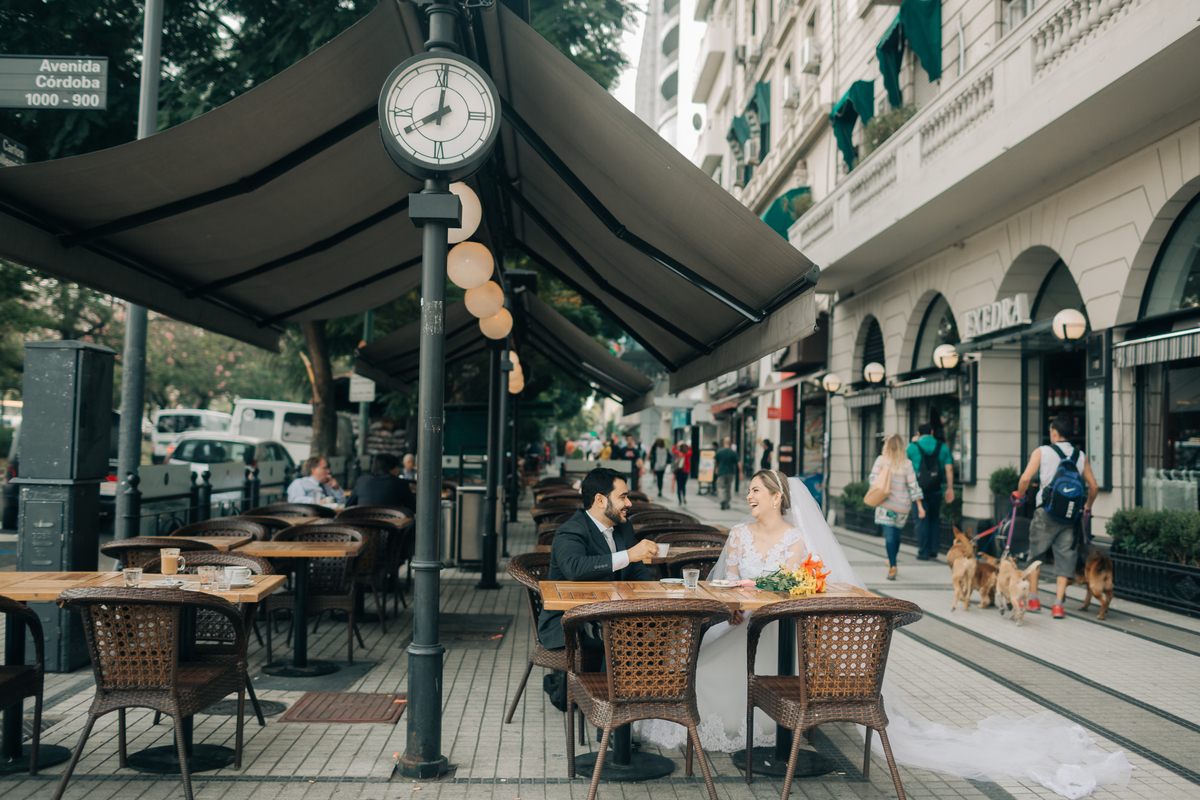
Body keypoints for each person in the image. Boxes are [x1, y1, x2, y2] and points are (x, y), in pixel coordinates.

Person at [636, 472, 1133, 799]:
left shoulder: (796, 539)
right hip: (743, 620)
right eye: (749, 492)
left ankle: (775, 720)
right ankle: (728, 714)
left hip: (779, 625)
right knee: (704, 655)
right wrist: (733, 601)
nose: (749, 498)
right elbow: (728, 579)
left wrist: (765, 589)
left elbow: (797, 585)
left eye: (756, 492)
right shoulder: (740, 534)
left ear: (777, 497)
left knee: (740, 656)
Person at [536, 468, 657, 649]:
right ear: (600, 500)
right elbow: (575, 569)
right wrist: (629, 555)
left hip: (613, 614)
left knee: (663, 628)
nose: (629, 503)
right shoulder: (571, 529)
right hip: (571, 623)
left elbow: (637, 571)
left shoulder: (624, 527)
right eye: (622, 497)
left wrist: (655, 599)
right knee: (623, 637)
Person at [1015, 417, 1098, 618]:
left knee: (1036, 556)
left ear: (1053, 433)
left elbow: (1025, 478)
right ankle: (1058, 605)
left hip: (1045, 511)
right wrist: (1087, 506)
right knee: (1065, 557)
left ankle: (1033, 599)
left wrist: (1019, 495)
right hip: (1070, 515)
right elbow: (1093, 487)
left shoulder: (1042, 451)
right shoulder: (1080, 456)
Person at [870, 434, 924, 580]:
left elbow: (872, 480)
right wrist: (920, 506)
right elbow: (913, 485)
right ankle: (892, 562)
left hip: (885, 504)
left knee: (890, 537)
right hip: (902, 506)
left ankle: (892, 563)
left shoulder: (881, 461)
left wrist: (882, 480)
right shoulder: (907, 464)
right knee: (896, 536)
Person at [906, 423, 954, 561]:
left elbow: (904, 467)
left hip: (918, 490)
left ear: (918, 433)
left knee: (921, 520)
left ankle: (923, 552)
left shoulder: (912, 447)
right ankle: (934, 550)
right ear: (932, 431)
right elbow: (949, 468)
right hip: (936, 489)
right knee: (934, 519)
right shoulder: (942, 446)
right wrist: (950, 488)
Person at [346, 453, 416, 510]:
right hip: (390, 523)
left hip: (362, 522)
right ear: (391, 469)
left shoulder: (362, 481)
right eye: (396, 468)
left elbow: (348, 505)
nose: (397, 471)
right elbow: (413, 508)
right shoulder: (400, 484)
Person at [713, 437, 740, 510]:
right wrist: (741, 472)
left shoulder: (719, 451)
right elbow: (738, 462)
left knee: (721, 487)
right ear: (730, 443)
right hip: (730, 473)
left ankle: (722, 500)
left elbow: (714, 460)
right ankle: (727, 503)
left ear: (724, 442)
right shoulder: (733, 452)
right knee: (728, 488)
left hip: (721, 472)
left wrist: (716, 467)